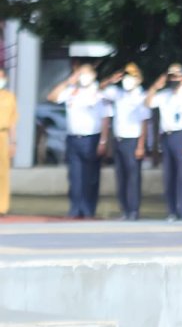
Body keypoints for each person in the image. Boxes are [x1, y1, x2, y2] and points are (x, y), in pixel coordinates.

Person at [48, 64, 111, 218]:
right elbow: (52, 97)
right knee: (75, 176)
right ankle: (75, 209)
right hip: (73, 138)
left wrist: (103, 141)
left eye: (86, 73)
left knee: (90, 177)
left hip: (92, 138)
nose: (83, 77)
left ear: (93, 75)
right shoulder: (71, 92)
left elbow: (105, 118)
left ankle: (89, 209)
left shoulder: (98, 93)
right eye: (80, 74)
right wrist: (68, 82)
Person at [147, 65, 182, 221]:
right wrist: (154, 87)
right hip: (167, 136)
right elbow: (149, 103)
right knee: (169, 176)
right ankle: (172, 211)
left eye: (177, 76)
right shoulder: (164, 95)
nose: (174, 79)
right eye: (171, 76)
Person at [101, 64, 151, 220]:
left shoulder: (141, 96)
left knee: (133, 177)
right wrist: (111, 79)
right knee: (121, 176)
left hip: (133, 141)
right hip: (119, 139)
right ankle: (124, 209)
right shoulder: (118, 93)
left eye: (132, 76)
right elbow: (100, 89)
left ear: (138, 79)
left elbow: (144, 123)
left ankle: (134, 210)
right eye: (126, 76)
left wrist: (141, 145)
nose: (127, 80)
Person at [0, 68, 16, 217]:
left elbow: (12, 122)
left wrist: (13, 142)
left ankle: (2, 207)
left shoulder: (9, 97)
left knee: (3, 173)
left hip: (3, 135)